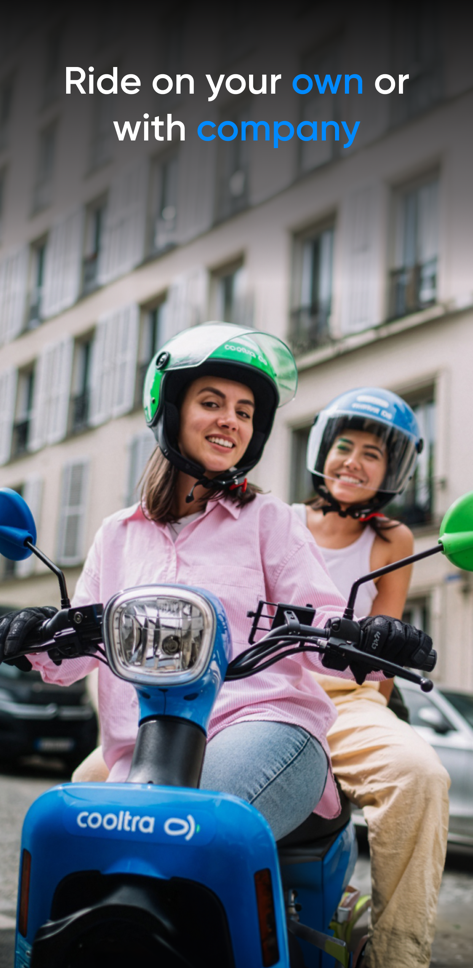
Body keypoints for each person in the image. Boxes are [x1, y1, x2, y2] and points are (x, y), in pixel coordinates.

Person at [0, 327, 433, 857]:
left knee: (184, 830)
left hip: (262, 723)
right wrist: (31, 634)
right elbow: (71, 660)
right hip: (143, 743)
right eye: (212, 402)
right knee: (64, 846)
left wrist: (371, 637)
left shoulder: (269, 519)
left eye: (246, 412)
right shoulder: (117, 534)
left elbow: (323, 621)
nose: (232, 419)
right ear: (172, 409)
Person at [292, 387, 450, 968]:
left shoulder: (393, 540)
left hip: (345, 697)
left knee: (420, 775)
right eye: (344, 446)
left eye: (372, 455)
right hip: (267, 683)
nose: (353, 462)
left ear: (394, 472)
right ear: (321, 453)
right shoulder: (277, 520)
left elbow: (378, 665)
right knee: (103, 773)